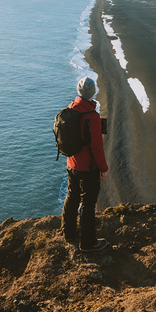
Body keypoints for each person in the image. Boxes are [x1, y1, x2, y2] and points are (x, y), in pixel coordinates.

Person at [62, 76, 109, 252]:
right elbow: (97, 148)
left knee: (72, 196)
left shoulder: (70, 109)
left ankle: (68, 233)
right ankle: (88, 243)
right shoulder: (92, 117)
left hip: (71, 164)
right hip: (88, 168)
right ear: (93, 92)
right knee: (88, 204)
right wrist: (103, 169)